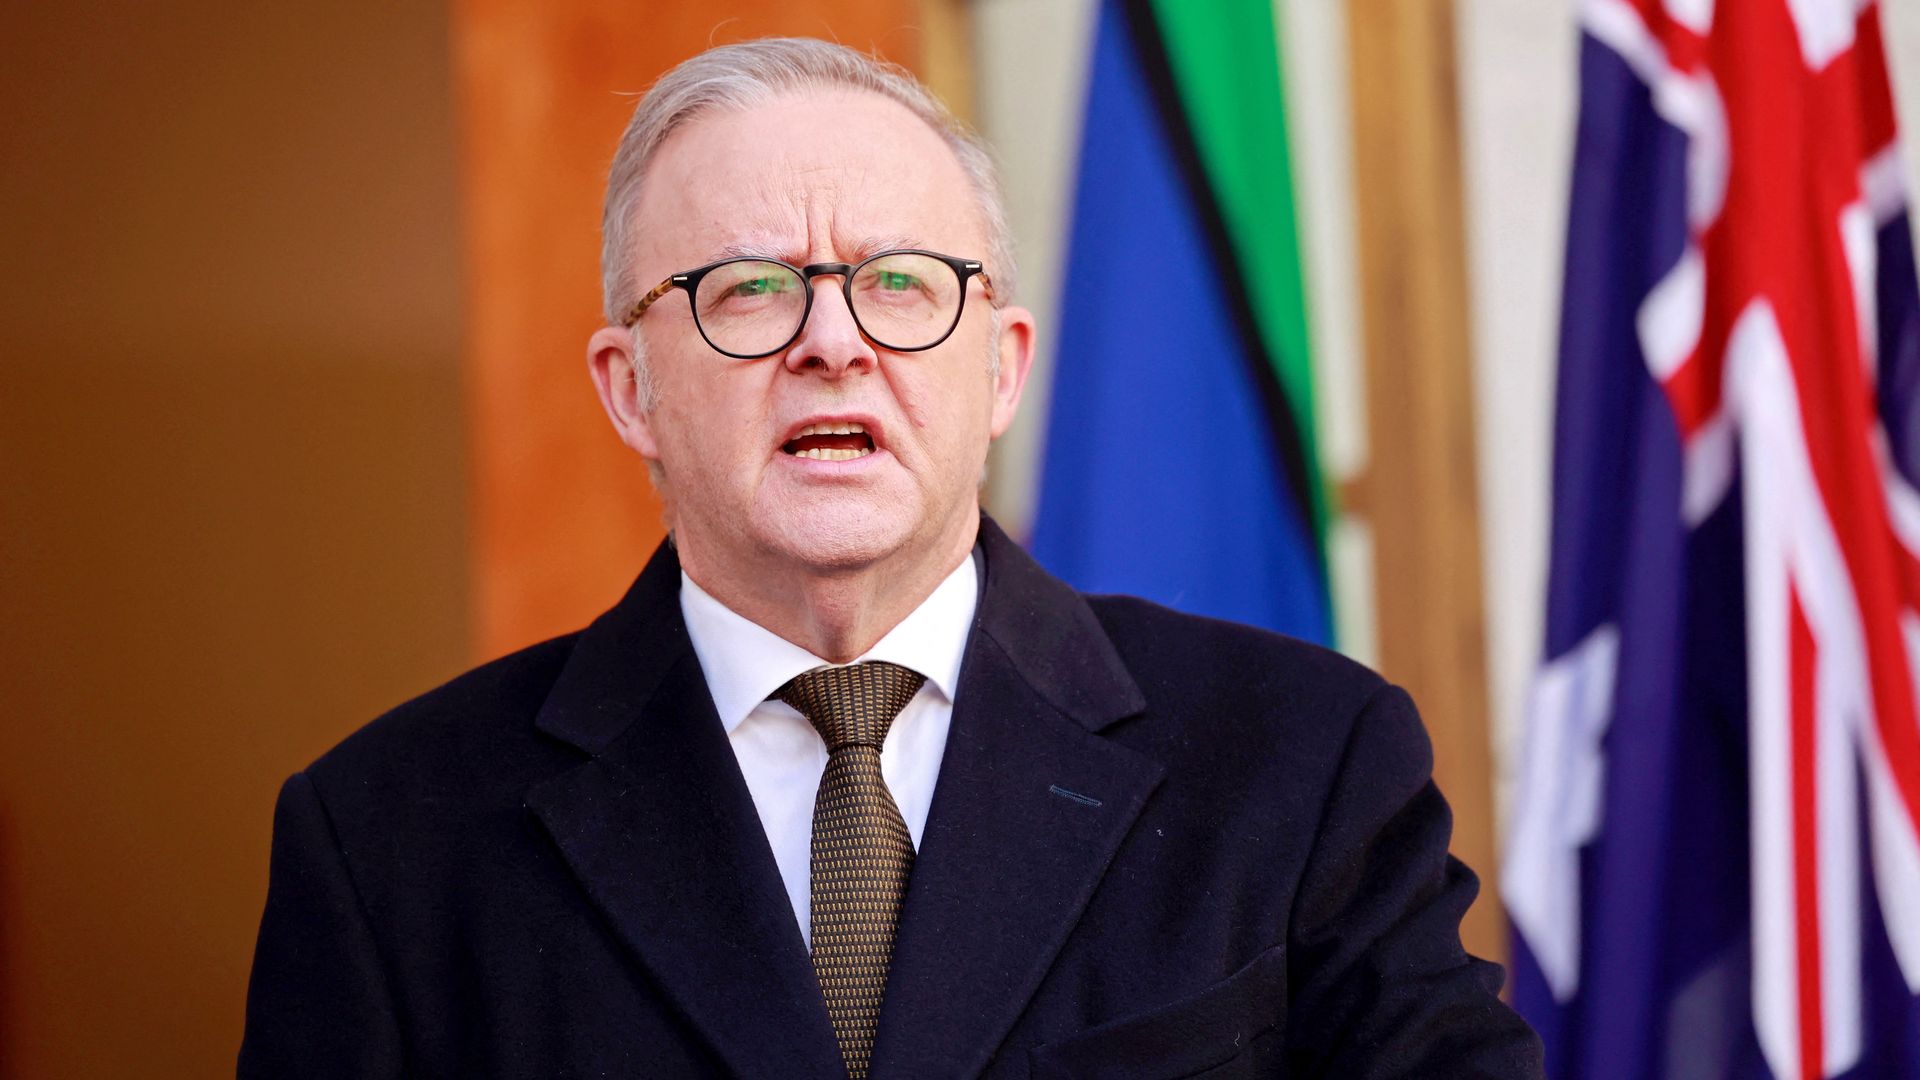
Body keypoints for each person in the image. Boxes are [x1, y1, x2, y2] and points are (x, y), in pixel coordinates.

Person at [239, 37, 1543, 1079]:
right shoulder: (386, 841)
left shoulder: (1302, 760)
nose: (832, 341)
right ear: (629, 389)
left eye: (902, 283)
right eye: (747, 287)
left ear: (1003, 368)